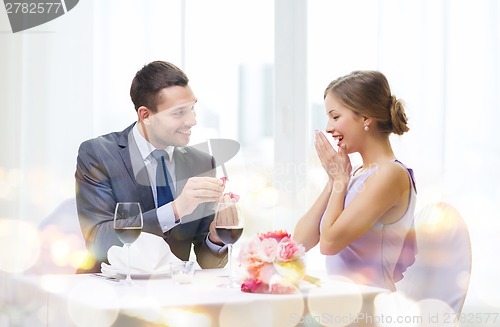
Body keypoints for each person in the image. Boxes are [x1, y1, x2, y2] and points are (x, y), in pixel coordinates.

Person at [75, 60, 232, 273]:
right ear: (145, 115)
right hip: (111, 293)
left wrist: (215, 238)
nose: (192, 121)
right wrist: (177, 209)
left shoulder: (201, 163)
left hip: (174, 294)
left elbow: (208, 262)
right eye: (179, 113)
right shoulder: (98, 154)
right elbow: (99, 241)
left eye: (192, 108)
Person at [293, 70, 417, 291]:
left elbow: (329, 243)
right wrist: (334, 181)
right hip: (344, 304)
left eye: (335, 116)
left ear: (365, 117)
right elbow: (300, 243)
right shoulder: (356, 173)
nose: (329, 127)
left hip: (369, 310)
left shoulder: (390, 174)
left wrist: (340, 180)